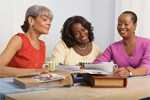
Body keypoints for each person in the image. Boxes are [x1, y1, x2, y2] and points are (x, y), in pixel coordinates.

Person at [0, 5, 53, 76]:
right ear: (31, 20)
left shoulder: (42, 44)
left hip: (32, 85)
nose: (49, 23)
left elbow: (38, 72)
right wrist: (35, 71)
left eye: (50, 21)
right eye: (45, 19)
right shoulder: (19, 39)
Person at [94, 11, 150, 77]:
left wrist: (130, 73)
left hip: (144, 84)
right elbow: (97, 64)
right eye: (119, 24)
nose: (122, 27)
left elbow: (147, 67)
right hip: (121, 84)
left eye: (126, 24)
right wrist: (111, 69)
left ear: (135, 26)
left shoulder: (147, 43)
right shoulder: (113, 47)